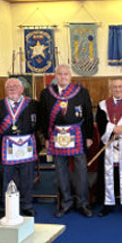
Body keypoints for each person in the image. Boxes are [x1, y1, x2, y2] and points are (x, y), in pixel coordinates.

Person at [40, 66, 95, 218]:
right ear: (55, 76)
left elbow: (89, 115)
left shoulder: (82, 92)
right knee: (60, 171)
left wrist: (89, 136)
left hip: (77, 134)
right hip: (56, 136)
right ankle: (66, 203)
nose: (63, 77)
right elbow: (43, 117)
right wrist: (45, 137)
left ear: (70, 76)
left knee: (81, 171)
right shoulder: (46, 93)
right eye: (60, 74)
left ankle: (83, 203)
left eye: (66, 74)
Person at [0, 78, 39, 216]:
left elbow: (39, 123)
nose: (12, 88)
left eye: (16, 86)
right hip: (6, 147)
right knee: (5, 177)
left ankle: (26, 204)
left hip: (27, 146)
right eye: (9, 87)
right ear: (5, 90)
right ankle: (6, 206)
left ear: (22, 89)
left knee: (27, 177)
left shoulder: (33, 105)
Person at [94, 78, 122, 216]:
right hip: (109, 145)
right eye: (115, 87)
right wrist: (114, 129)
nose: (118, 89)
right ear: (111, 89)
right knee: (108, 173)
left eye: (120, 87)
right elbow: (100, 123)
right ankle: (108, 203)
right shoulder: (102, 105)